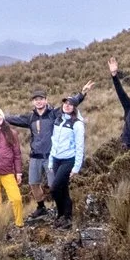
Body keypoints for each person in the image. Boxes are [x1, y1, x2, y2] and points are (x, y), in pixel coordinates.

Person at [7, 84, 89, 186]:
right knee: (33, 185)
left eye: (41, 99)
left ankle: (57, 202)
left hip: (51, 157)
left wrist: (82, 94)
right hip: (35, 157)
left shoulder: (53, 114)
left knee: (54, 185)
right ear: (33, 102)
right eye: (36, 99)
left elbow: (69, 105)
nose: (38, 101)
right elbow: (13, 119)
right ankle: (41, 203)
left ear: (46, 100)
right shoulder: (30, 117)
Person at [44, 91, 86, 220]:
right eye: (65, 103)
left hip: (68, 160)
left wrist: (76, 168)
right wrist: (51, 161)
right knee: (63, 189)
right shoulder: (58, 120)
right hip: (56, 159)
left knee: (55, 188)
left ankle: (65, 214)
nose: (67, 106)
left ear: (74, 107)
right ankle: (63, 216)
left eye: (70, 104)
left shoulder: (77, 124)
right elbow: (54, 142)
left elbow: (80, 147)